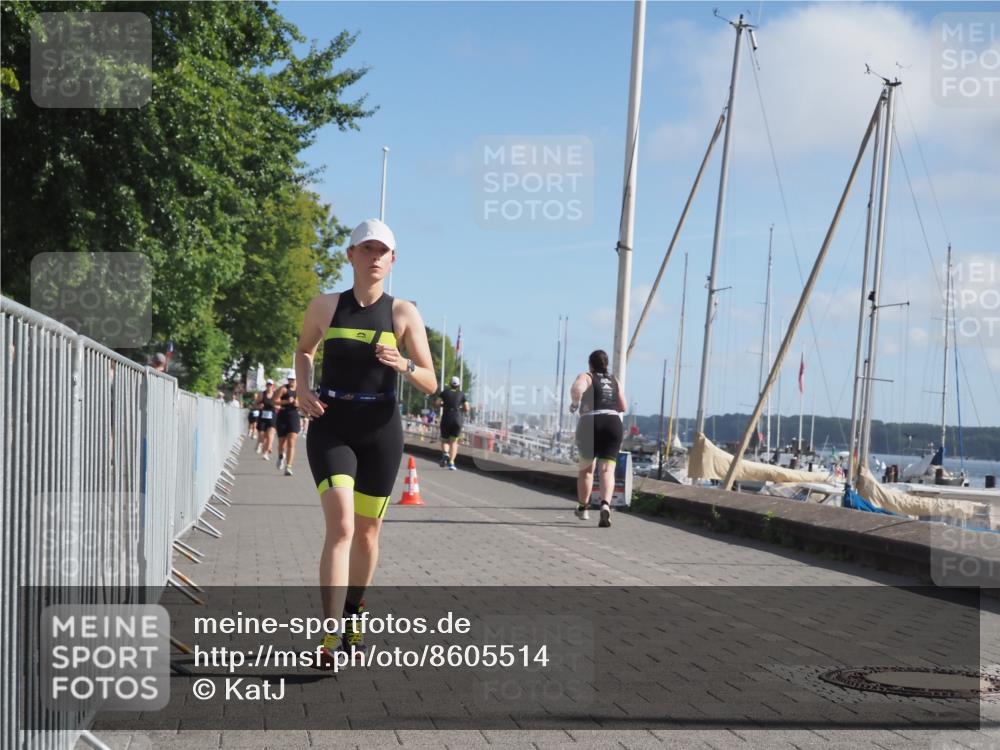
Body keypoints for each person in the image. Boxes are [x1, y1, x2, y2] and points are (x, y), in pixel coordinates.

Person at [294, 218, 436, 667]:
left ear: (393, 261)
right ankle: (329, 636)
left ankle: (355, 609)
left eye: (383, 251)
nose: (374, 257)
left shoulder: (403, 314)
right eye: (366, 249)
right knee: (341, 528)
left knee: (368, 534)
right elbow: (303, 351)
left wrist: (403, 366)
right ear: (350, 255)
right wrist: (302, 388)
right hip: (332, 425)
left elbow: (430, 381)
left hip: (380, 429)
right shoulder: (324, 306)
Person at [568, 350, 626, 528]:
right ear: (606, 364)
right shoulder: (614, 380)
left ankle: (584, 508)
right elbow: (623, 406)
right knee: (607, 470)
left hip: (590, 422)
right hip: (612, 422)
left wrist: (575, 403)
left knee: (586, 470)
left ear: (590, 364)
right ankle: (605, 505)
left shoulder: (587, 376)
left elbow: (577, 389)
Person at [434, 376, 469, 470]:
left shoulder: (444, 393)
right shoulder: (462, 394)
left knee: (445, 440)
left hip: (446, 417)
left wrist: (443, 405)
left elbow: (437, 403)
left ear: (450, 384)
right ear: (459, 385)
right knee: (454, 442)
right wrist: (460, 408)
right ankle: (451, 463)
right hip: (457, 418)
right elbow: (467, 408)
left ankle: (445, 453)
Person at [274, 376, 301, 476]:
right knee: (282, 442)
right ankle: (281, 456)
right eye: (290, 379)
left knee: (291, 442)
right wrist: (286, 401)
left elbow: (303, 402)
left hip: (294, 416)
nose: (291, 381)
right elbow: (274, 401)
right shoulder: (283, 389)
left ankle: (288, 466)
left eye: (293, 379)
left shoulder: (299, 389)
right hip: (282, 416)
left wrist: (298, 403)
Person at [255, 379, 277, 459]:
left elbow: (280, 405)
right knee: (262, 436)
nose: (269, 386)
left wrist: (276, 406)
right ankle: (259, 443)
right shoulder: (262, 394)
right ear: (266, 385)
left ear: (273, 386)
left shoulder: (275, 395)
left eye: (270, 385)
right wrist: (259, 406)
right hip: (263, 417)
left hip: (272, 417)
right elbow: (255, 404)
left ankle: (265, 453)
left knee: (270, 437)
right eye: (268, 384)